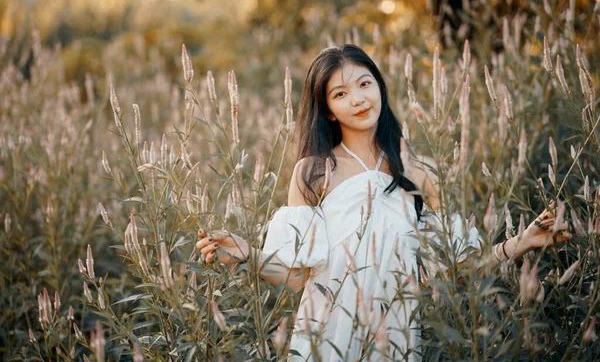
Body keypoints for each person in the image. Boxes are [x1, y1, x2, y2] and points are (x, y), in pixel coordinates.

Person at [195, 44, 571, 361]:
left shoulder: (418, 172)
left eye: (364, 84)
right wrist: (248, 253)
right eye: (340, 93)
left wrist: (522, 243)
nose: (357, 99)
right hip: (326, 333)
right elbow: (296, 277)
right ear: (327, 109)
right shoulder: (314, 172)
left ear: (380, 88)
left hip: (395, 334)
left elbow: (455, 268)